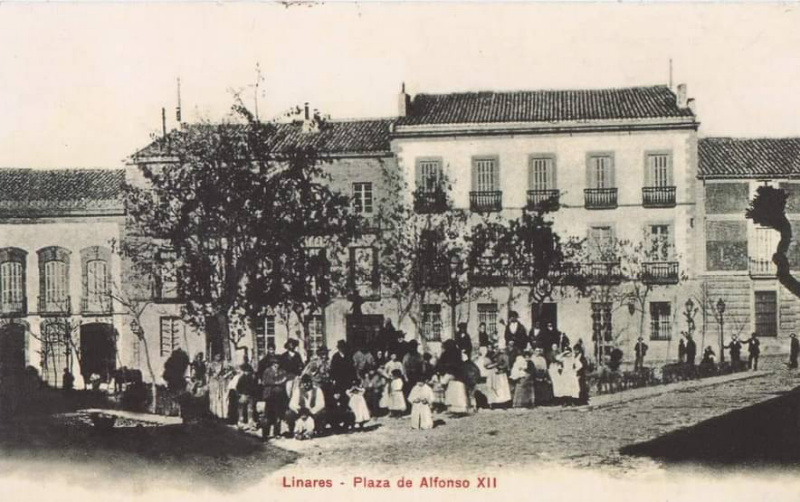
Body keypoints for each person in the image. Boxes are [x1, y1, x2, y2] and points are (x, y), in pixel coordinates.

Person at [261, 359, 288, 440]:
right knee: (268, 415)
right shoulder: (267, 371)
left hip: (279, 396)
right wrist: (277, 382)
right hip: (269, 396)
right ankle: (265, 434)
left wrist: (278, 382)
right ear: (271, 364)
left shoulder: (282, 371)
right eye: (274, 363)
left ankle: (277, 433)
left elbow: (285, 379)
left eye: (278, 363)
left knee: (278, 415)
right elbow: (266, 381)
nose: (276, 365)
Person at [235, 364, 258, 430]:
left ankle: (242, 423)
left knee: (243, 410)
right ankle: (248, 423)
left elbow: (237, 388)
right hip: (247, 396)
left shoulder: (242, 378)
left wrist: (239, 394)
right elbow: (254, 388)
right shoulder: (251, 378)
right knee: (249, 410)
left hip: (245, 396)